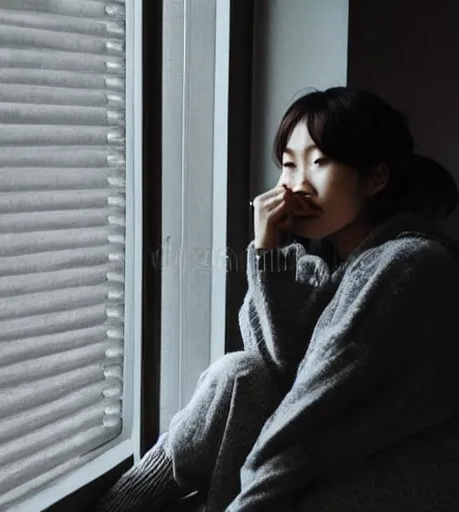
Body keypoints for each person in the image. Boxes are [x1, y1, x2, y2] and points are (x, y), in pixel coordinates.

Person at [90, 87, 459, 511]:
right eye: (287, 164)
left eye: (318, 162)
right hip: (330, 460)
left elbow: (309, 418)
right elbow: (278, 370)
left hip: (391, 478)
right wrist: (266, 250)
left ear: (376, 178)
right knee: (240, 373)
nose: (297, 184)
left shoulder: (408, 265)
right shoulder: (327, 270)